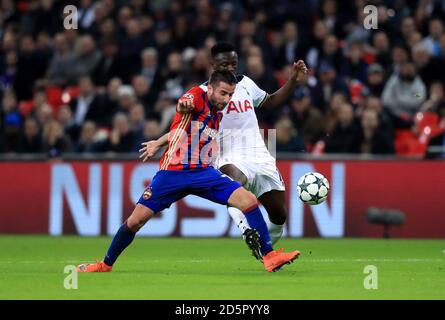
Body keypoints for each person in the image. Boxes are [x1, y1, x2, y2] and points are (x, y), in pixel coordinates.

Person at [77, 70, 300, 273]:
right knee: (135, 221)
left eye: (230, 94)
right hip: (173, 173)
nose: (226, 99)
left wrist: (159, 141)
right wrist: (183, 104)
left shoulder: (218, 112)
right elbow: (185, 103)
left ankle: (269, 256)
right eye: (223, 93)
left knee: (248, 200)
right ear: (210, 88)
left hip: (203, 171)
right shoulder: (196, 95)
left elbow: (180, 129)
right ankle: (105, 264)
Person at [139, 42, 308, 260]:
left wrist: (292, 81)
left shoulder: (246, 84)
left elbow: (271, 102)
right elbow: (183, 122)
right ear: (212, 65)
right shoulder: (202, 93)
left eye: (234, 63)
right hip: (227, 153)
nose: (230, 67)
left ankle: (263, 249)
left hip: (260, 154)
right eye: (224, 63)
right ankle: (246, 230)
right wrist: (159, 142)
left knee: (279, 215)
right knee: (234, 185)